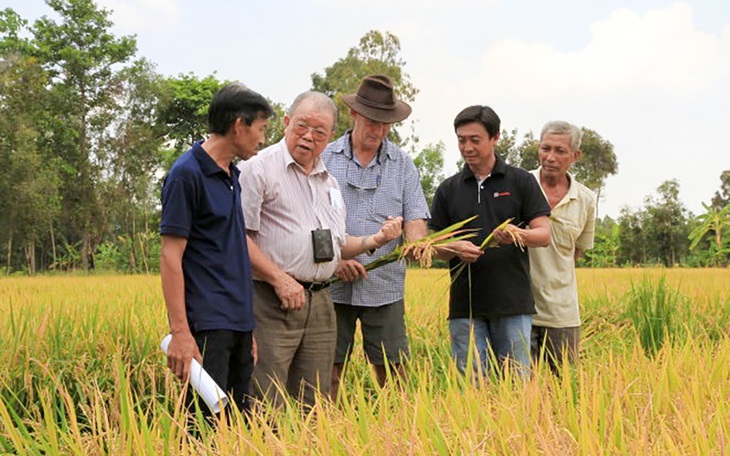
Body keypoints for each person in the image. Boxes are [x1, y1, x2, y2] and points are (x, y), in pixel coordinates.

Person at [238, 91, 403, 409]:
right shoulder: (257, 170)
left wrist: (375, 240)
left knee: (314, 402)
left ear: (330, 137)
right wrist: (278, 279)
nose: (308, 137)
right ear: (286, 123)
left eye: (319, 132)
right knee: (265, 396)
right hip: (271, 301)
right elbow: (237, 237)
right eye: (301, 126)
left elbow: (338, 244)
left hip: (320, 301)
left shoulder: (328, 181)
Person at [160, 83, 274, 417]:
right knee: (205, 428)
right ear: (239, 125)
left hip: (237, 323)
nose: (263, 139)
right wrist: (181, 332)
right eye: (261, 129)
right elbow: (170, 256)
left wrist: (246, 328)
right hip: (207, 325)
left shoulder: (232, 175)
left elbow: (234, 249)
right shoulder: (186, 175)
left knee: (239, 424)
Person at [322, 75, 430, 398]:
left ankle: (399, 433)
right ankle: (324, 433)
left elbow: (416, 216)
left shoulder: (403, 164)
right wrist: (336, 259)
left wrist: (416, 243)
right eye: (372, 122)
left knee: (393, 368)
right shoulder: (325, 158)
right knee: (328, 366)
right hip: (330, 284)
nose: (378, 130)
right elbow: (308, 218)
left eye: (386, 124)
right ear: (354, 115)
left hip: (384, 284)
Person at [429, 105, 551, 378]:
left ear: (495, 138)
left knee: (517, 385)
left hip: (512, 304)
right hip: (465, 307)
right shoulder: (449, 189)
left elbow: (544, 234)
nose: (467, 147)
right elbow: (433, 245)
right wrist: (454, 248)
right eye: (461, 140)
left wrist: (516, 235)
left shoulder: (521, 181)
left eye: (475, 140)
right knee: (470, 386)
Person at [529, 121, 596, 374]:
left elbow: (575, 253)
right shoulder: (519, 185)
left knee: (565, 390)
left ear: (575, 156)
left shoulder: (586, 200)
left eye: (560, 151)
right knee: (519, 393)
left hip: (562, 314)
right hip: (519, 311)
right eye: (545, 149)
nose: (550, 157)